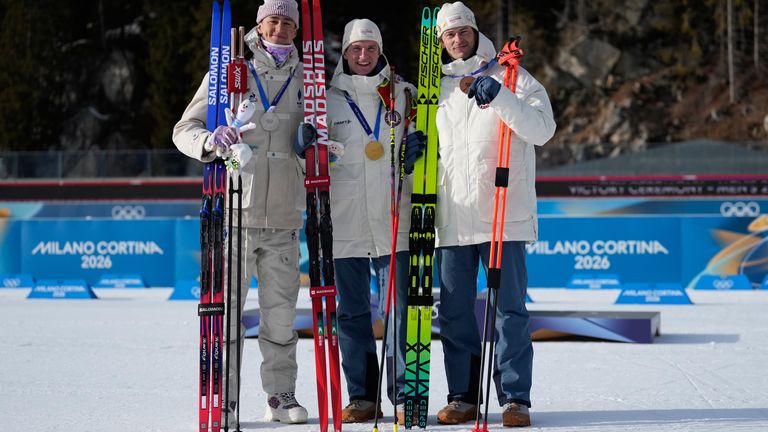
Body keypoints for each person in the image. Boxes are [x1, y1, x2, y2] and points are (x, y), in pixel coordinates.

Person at [173, 0, 309, 426]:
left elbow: (325, 139)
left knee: (281, 320)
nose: (281, 28)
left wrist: (314, 146)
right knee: (227, 316)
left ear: (297, 29)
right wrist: (212, 140)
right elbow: (183, 130)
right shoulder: (230, 72)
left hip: (285, 218)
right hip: (234, 216)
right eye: (274, 20)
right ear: (259, 25)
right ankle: (225, 397)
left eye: (289, 22)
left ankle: (280, 396)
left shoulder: (311, 78)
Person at [294, 18, 426, 425]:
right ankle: (362, 395)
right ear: (346, 54)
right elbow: (312, 165)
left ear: (380, 51)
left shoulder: (404, 95)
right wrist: (303, 150)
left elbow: (421, 152)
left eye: (370, 49)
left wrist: (419, 149)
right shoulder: (326, 100)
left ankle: (404, 394)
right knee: (350, 314)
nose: (364, 56)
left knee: (401, 312)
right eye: (356, 49)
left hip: (393, 221)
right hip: (345, 223)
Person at [431, 2, 556, 428]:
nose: (458, 39)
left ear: (475, 31)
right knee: (454, 313)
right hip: (453, 218)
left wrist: (500, 96)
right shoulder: (436, 89)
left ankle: (515, 398)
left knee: (509, 309)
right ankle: (462, 395)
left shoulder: (513, 77)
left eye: (463, 31)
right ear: (441, 41)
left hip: (505, 214)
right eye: (449, 34)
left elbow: (542, 130)